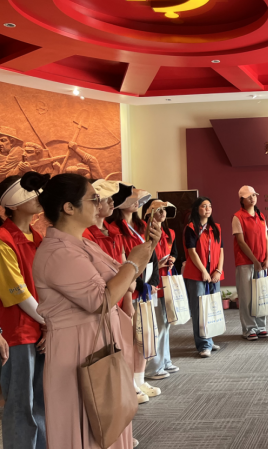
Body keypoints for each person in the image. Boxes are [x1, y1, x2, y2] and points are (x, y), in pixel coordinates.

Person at [32, 173, 160, 449]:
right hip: (76, 349)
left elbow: (123, 280)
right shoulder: (58, 252)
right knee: (85, 425)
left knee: (107, 421)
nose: (100, 203)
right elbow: (100, 300)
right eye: (93, 199)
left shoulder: (83, 244)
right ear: (69, 207)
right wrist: (133, 264)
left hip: (95, 340)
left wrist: (147, 248)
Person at [0, 172, 47, 448]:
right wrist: (48, 322)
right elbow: (18, 293)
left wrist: (47, 325)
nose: (39, 197)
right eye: (31, 192)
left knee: (41, 402)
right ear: (13, 203)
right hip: (18, 333)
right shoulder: (4, 239)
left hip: (40, 328)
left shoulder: (36, 236)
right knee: (21, 405)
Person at [106, 188, 162, 402]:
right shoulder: (115, 228)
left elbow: (151, 255)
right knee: (129, 339)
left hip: (144, 287)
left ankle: (140, 378)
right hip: (130, 288)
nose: (137, 201)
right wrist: (137, 286)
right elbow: (126, 264)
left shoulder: (141, 226)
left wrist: (153, 282)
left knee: (144, 336)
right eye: (131, 197)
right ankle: (131, 381)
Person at [183, 197, 224, 358]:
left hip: (214, 274)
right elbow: (192, 252)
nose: (208, 209)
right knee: (199, 310)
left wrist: (218, 270)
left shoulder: (216, 228)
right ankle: (203, 344)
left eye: (210, 206)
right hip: (197, 274)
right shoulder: (191, 228)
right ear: (197, 209)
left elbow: (221, 251)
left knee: (212, 307)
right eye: (204, 206)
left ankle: (210, 340)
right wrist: (203, 271)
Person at [143, 200, 180, 380]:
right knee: (155, 326)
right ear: (149, 212)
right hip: (152, 282)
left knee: (165, 323)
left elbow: (175, 252)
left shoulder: (169, 232)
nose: (163, 213)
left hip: (167, 281)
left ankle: (165, 360)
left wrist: (171, 259)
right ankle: (153, 367)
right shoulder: (144, 231)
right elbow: (144, 257)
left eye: (164, 210)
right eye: (158, 210)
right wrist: (158, 263)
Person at [232, 186, 268, 341]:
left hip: (261, 262)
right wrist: (254, 260)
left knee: (260, 294)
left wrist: (267, 258)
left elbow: (266, 238)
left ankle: (261, 326)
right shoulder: (238, 217)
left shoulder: (261, 215)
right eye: (249, 196)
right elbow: (241, 242)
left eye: (254, 195)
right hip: (245, 262)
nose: (252, 198)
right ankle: (249, 328)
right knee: (246, 297)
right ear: (242, 200)